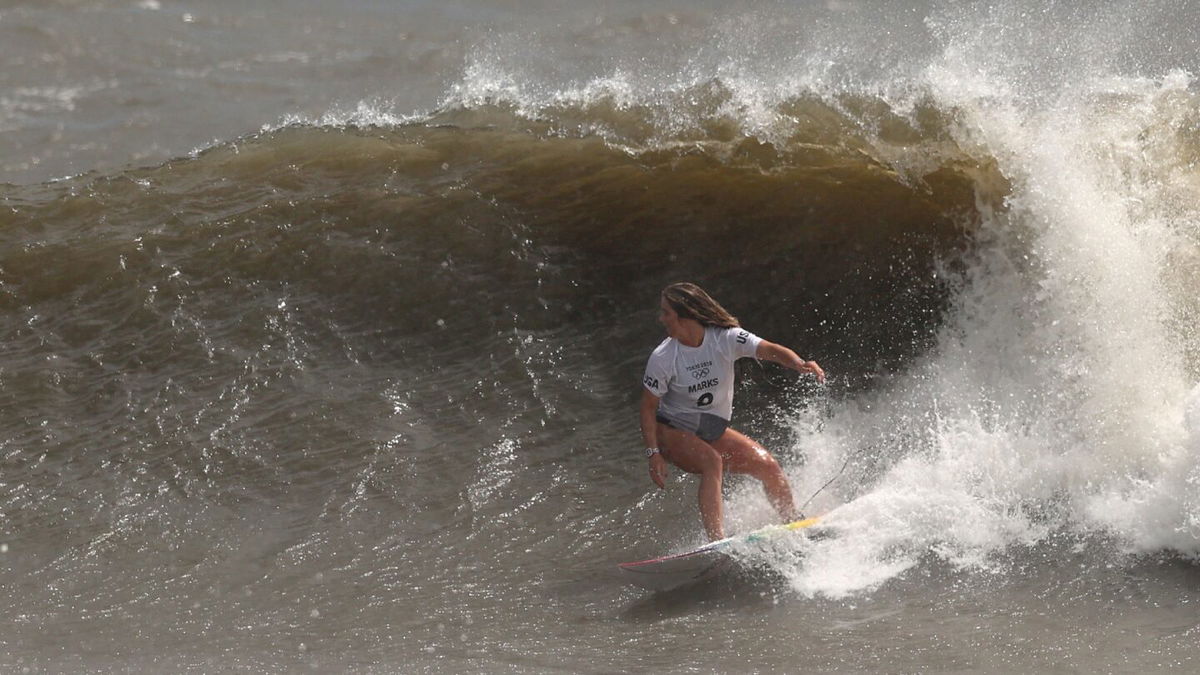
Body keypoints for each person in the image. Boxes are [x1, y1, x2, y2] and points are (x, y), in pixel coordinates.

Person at [640, 282, 825, 541]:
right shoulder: (663, 357)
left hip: (711, 430)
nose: (661, 319)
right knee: (711, 461)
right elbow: (648, 408)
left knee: (768, 467)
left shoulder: (725, 338)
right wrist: (653, 454)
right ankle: (717, 542)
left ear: (686, 314)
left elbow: (769, 349)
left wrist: (799, 363)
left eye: (666, 312)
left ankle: (794, 521)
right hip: (672, 431)